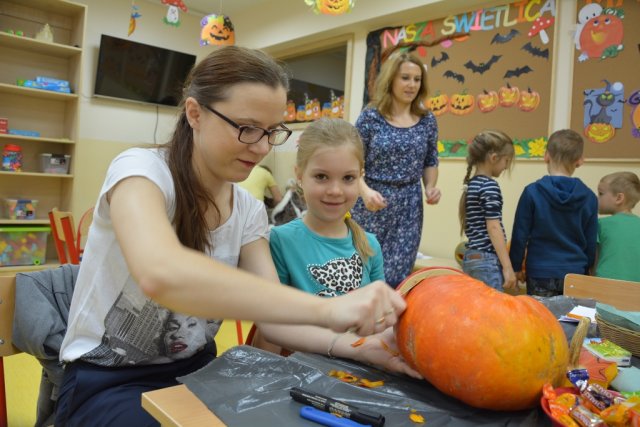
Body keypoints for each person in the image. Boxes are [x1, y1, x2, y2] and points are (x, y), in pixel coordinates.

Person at [55, 46, 415, 427]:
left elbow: (273, 322)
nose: (261, 147)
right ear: (195, 113)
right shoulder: (141, 171)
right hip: (108, 383)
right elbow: (160, 272)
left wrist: (362, 349)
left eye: (271, 132)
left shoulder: (247, 211)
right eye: (246, 128)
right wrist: (330, 309)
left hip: (198, 373)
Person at [351, 50, 440, 288]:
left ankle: (387, 323)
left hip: (409, 206)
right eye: (405, 78)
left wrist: (430, 187)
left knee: (398, 275)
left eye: (417, 79)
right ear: (391, 80)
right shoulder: (371, 117)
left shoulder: (427, 120)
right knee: (364, 269)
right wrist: (364, 191)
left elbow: (430, 160)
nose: (412, 84)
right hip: (372, 200)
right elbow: (353, 161)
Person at [270, 118, 384, 297]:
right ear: (300, 175)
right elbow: (274, 315)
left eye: (348, 178)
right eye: (322, 176)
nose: (335, 191)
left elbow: (379, 313)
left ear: (360, 178)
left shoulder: (370, 246)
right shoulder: (280, 241)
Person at [509, 129, 598, 297]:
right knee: (572, 323)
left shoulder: (532, 192)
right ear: (579, 161)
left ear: (546, 156)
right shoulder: (590, 197)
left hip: (539, 271)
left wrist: (515, 267)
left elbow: (520, 235)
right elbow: (590, 242)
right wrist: (587, 270)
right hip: (575, 273)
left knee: (541, 321)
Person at [459, 130, 516, 291]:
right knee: (491, 313)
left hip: (471, 257)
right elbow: (493, 227)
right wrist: (507, 267)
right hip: (487, 261)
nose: (506, 167)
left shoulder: (472, 184)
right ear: (494, 158)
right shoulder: (489, 185)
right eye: (506, 161)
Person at [595, 171, 640, 281]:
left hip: (604, 286)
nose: (597, 198)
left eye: (601, 194)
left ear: (619, 198)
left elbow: (593, 263)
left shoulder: (600, 224)